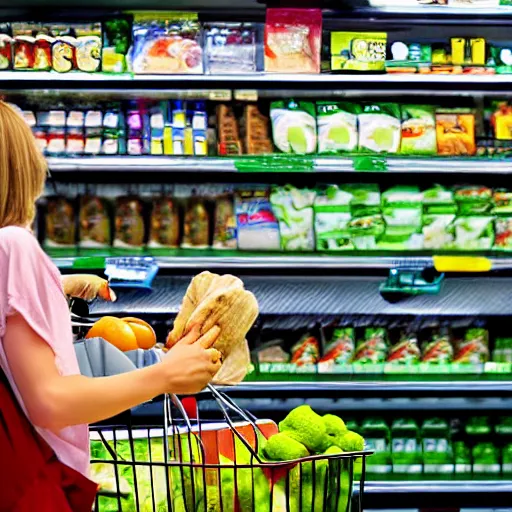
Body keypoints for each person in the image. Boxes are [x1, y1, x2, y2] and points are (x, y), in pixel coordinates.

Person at [0, 100, 222, 510]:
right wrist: (165, 375)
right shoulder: (12, 244)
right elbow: (50, 402)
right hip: (32, 479)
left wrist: (53, 285)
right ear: (21, 169)